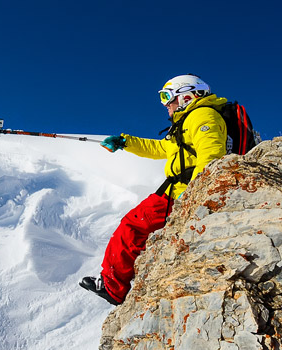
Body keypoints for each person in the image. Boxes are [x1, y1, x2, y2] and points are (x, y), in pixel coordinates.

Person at [80, 74, 228, 305]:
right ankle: (116, 282)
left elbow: (211, 155)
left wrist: (190, 197)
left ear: (187, 95)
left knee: (132, 226)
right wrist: (125, 142)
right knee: (134, 226)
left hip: (183, 191)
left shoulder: (202, 114)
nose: (165, 104)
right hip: (179, 191)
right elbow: (160, 148)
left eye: (167, 97)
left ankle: (113, 287)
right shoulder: (188, 120)